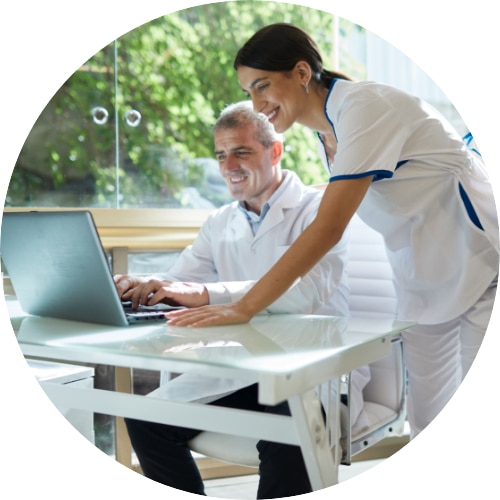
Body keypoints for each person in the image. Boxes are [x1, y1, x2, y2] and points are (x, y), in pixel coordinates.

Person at [165, 23, 499, 439]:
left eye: (263, 86)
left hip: (479, 258)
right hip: (420, 271)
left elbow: (328, 227)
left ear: (302, 73)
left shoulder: (365, 107)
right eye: (249, 91)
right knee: (429, 420)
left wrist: (244, 306)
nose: (256, 103)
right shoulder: (328, 131)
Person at [115, 100, 370, 498]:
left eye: (241, 151)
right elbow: (182, 277)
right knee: (145, 417)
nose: (229, 165)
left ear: (275, 151)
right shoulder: (221, 221)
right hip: (239, 372)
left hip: (310, 375)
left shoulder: (320, 212)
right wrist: (145, 283)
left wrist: (203, 294)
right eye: (221, 155)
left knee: (290, 427)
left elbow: (306, 292)